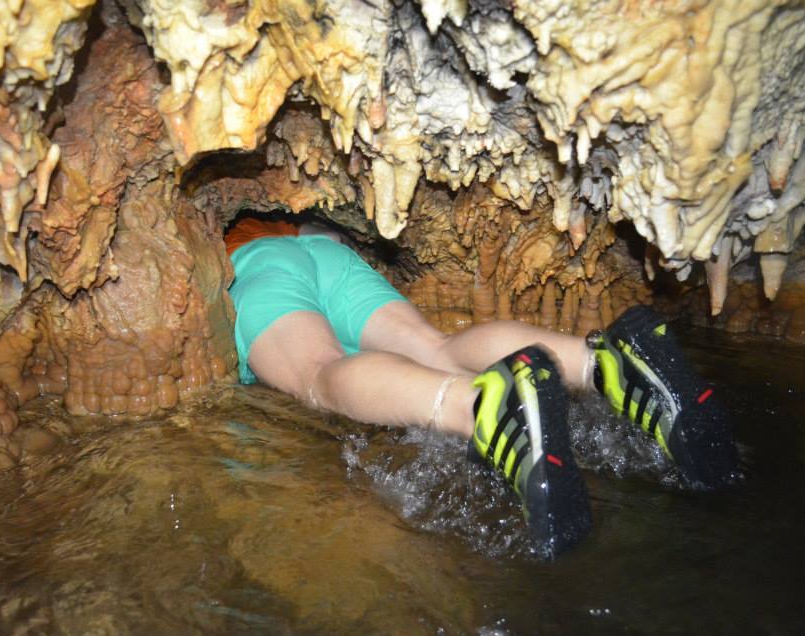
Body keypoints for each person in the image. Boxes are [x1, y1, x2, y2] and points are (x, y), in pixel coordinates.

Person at [225, 214, 739, 558]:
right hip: (327, 253)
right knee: (436, 346)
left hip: (254, 258)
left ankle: (481, 409)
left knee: (317, 373)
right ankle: (601, 362)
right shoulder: (312, 236)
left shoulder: (240, 239)